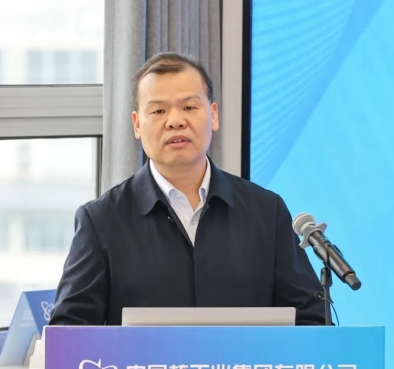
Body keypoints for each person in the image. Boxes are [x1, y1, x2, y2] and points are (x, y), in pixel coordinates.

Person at [49, 52, 326, 326]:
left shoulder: (266, 211)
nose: (175, 121)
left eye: (189, 107)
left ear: (213, 115)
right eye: (158, 111)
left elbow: (310, 320)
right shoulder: (102, 221)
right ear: (137, 124)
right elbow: (68, 332)